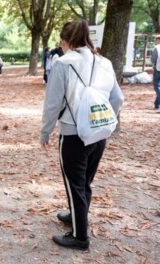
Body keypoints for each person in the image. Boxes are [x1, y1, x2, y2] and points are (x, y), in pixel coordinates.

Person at [40, 20, 124, 250]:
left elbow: (53, 103)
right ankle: (77, 215)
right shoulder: (105, 62)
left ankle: (80, 237)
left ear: (66, 41)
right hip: (99, 133)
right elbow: (118, 99)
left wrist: (45, 131)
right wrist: (106, 119)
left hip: (73, 133)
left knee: (75, 184)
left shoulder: (63, 63)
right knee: (85, 181)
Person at [150, 36, 160, 113]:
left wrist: (153, 64)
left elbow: (153, 59)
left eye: (156, 40)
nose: (156, 42)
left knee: (156, 86)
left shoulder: (157, 48)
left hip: (158, 68)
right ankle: (157, 104)